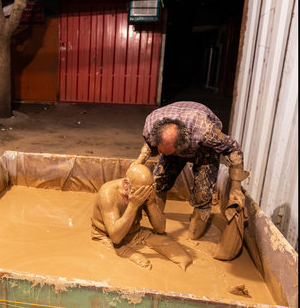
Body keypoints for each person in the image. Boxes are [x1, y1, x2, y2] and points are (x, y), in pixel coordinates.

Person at [134, 101, 249, 240]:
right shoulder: (151, 124)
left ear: (182, 146)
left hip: (204, 148)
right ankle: (155, 224)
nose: (166, 156)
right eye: (162, 151)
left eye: (170, 152)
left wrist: (235, 187)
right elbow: (148, 145)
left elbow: (233, 149)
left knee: (203, 194)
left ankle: (194, 233)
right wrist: (139, 162)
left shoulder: (206, 132)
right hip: (174, 143)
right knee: (158, 183)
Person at [91, 163, 192, 270]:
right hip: (108, 237)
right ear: (126, 185)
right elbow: (115, 238)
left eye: (148, 190)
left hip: (135, 232)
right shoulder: (108, 193)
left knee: (179, 253)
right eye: (142, 191)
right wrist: (133, 205)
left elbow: (161, 228)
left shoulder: (144, 188)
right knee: (142, 263)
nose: (145, 194)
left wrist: (151, 203)